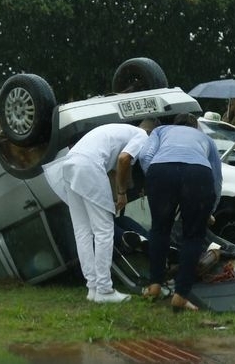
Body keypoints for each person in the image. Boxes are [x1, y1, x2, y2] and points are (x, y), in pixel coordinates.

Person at [42, 119, 159, 303]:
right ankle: (104, 289)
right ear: (153, 133)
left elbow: (116, 168)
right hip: (89, 166)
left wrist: (119, 193)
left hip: (70, 164)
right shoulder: (142, 135)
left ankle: (93, 288)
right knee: (104, 230)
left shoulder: (121, 131)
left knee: (83, 231)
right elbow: (123, 160)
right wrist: (121, 193)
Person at [138, 113, 223, 312]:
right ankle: (181, 295)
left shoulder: (160, 130)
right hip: (197, 174)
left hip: (161, 171)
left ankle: (155, 286)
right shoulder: (206, 139)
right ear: (196, 128)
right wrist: (210, 209)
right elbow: (216, 176)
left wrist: (154, 177)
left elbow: (144, 156)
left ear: (174, 124)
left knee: (159, 229)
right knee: (193, 235)